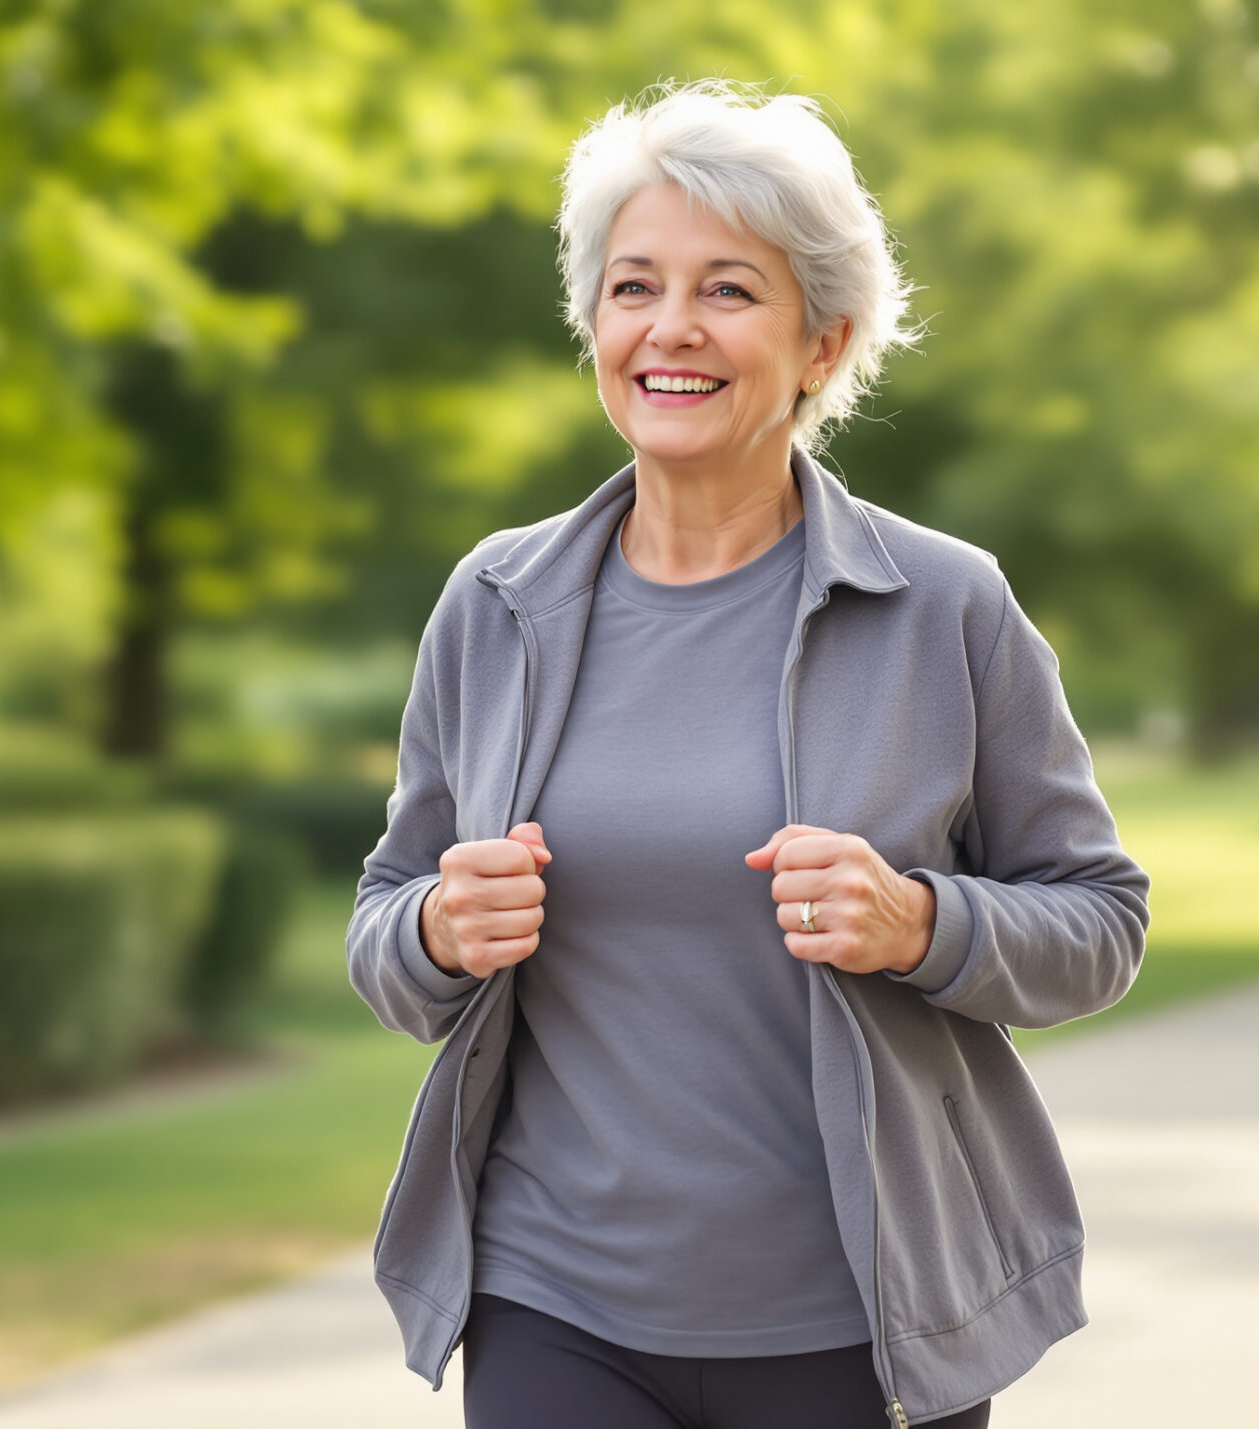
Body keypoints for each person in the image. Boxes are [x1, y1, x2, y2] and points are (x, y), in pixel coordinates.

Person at [346, 79, 1151, 1429]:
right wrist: (435, 927)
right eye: (634, 287)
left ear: (822, 343)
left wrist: (920, 922)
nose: (671, 326)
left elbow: (1100, 922)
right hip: (555, 1300)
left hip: (861, 1318)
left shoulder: (944, 606)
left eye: (727, 290)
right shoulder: (496, 602)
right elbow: (384, 918)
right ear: (595, 325)